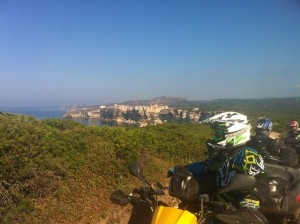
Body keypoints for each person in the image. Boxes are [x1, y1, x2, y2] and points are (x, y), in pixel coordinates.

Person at [167, 112, 269, 224]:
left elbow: (261, 183)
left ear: (233, 134)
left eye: (218, 134)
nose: (215, 137)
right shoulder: (224, 155)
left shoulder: (249, 157)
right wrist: (182, 169)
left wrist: (250, 202)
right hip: (215, 205)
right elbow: (206, 166)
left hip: (236, 211)